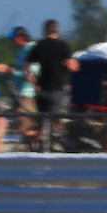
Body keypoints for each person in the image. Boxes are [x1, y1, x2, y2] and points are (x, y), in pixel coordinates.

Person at [25, 19, 79, 150]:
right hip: (57, 88)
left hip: (41, 88)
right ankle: (53, 148)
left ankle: (39, 147)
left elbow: (27, 64)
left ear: (45, 31)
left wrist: (31, 77)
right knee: (55, 121)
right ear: (57, 31)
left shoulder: (38, 45)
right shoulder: (62, 46)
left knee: (43, 121)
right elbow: (71, 65)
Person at [7, 27, 39, 146]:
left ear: (23, 37)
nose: (13, 41)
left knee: (24, 124)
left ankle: (27, 150)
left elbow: (33, 71)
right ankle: (29, 148)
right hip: (20, 93)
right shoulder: (22, 50)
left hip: (27, 94)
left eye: (14, 38)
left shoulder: (31, 49)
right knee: (25, 124)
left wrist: (13, 71)